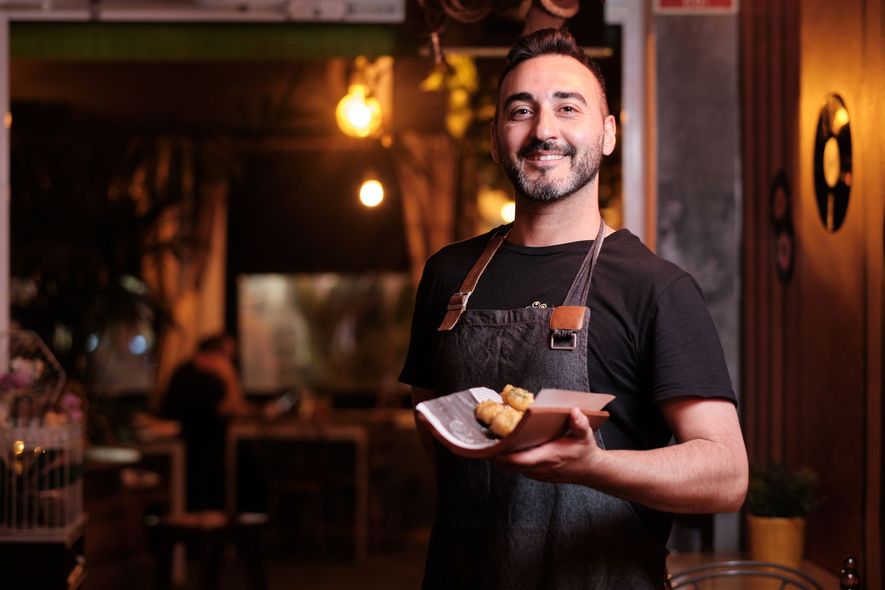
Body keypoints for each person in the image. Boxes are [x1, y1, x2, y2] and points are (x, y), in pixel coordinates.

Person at [399, 28, 748, 589]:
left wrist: (595, 467)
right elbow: (431, 423)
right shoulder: (448, 276)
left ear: (607, 133)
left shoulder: (655, 288)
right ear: (495, 139)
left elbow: (726, 475)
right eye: (521, 111)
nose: (544, 130)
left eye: (568, 107)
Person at [161, 333, 247, 511]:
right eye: (226, 357)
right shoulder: (193, 377)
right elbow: (235, 409)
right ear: (212, 354)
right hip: (193, 451)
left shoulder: (203, 375)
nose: (228, 362)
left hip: (200, 448)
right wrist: (229, 377)